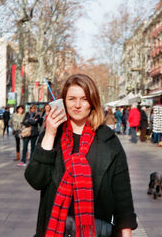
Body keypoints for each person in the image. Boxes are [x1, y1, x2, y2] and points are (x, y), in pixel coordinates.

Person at [25, 74, 137, 237]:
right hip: (55, 229)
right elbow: (35, 180)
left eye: (84, 99)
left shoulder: (108, 140)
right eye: (71, 99)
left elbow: (122, 194)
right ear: (64, 102)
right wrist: (49, 133)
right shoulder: (52, 135)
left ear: (92, 102)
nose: (77, 105)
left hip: (97, 230)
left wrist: (126, 233)